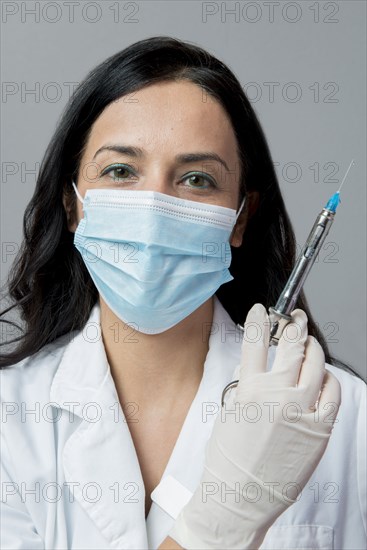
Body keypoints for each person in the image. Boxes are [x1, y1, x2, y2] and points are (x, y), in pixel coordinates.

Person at [0, 36, 365, 550]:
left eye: (196, 179)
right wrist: (227, 514)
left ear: (241, 217)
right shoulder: (10, 420)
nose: (153, 208)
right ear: (72, 203)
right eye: (120, 171)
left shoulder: (342, 415)